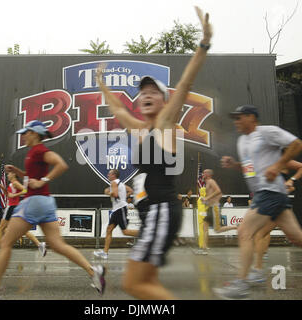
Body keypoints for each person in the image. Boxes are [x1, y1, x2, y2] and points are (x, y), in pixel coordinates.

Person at [96, 6, 212, 299]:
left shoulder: (164, 124)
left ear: (165, 101)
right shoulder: (140, 128)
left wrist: (204, 44)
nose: (145, 95)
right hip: (152, 213)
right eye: (142, 92)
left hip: (161, 210)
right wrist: (101, 84)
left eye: (153, 92)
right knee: (148, 283)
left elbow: (185, 84)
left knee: (133, 284)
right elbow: (118, 109)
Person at [0, 120, 105, 299]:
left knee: (6, 242)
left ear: (35, 133)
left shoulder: (40, 150)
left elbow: (61, 164)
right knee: (58, 244)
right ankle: (93, 272)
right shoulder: (33, 153)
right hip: (46, 202)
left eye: (26, 132)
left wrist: (43, 181)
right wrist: (18, 171)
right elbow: (32, 176)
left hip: (34, 202)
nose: (23, 135)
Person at [214, 104, 302, 300]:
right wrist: (235, 165)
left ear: (251, 117)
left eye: (239, 117)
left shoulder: (267, 132)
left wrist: (278, 166)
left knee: (244, 231)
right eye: (234, 118)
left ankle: (241, 284)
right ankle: (253, 272)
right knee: (298, 237)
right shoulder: (242, 141)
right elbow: (250, 170)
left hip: (269, 191)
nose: (236, 121)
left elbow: (298, 144)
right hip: (269, 193)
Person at [248, 159, 302, 282]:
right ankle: (258, 268)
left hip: (277, 204)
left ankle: (258, 270)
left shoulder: (282, 159)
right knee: (297, 238)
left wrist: (291, 181)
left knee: (261, 234)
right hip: (272, 203)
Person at [0, 172, 47, 257]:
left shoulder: (15, 183)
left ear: (13, 174)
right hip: (15, 208)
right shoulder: (12, 184)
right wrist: (3, 188)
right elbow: (9, 195)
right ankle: (39, 244)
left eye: (9, 174)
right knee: (21, 230)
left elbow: (25, 190)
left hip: (11, 208)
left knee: (0, 228)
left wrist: (15, 195)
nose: (7, 175)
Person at [93, 169, 136, 259]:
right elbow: (130, 191)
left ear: (114, 175)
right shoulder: (121, 183)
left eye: (109, 174)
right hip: (117, 209)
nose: (108, 175)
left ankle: (146, 234)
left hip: (120, 209)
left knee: (125, 232)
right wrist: (125, 198)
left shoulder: (113, 183)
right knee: (109, 229)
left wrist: (107, 192)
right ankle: (105, 253)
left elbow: (115, 194)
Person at [196, 169, 238, 255]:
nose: (202, 174)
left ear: (208, 174)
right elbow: (219, 195)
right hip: (210, 207)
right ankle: (204, 249)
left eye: (204, 173)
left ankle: (236, 227)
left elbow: (218, 191)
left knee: (217, 230)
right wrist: (206, 201)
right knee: (205, 228)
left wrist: (208, 199)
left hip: (214, 208)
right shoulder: (207, 183)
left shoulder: (211, 181)